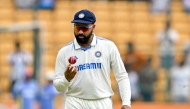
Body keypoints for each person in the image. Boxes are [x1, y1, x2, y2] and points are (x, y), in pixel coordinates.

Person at [53, 9, 131, 109]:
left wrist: (126, 102)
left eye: (84, 28)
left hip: (102, 102)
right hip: (74, 102)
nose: (80, 31)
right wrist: (66, 79)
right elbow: (58, 87)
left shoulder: (108, 46)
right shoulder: (64, 52)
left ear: (93, 27)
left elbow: (121, 76)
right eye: (77, 28)